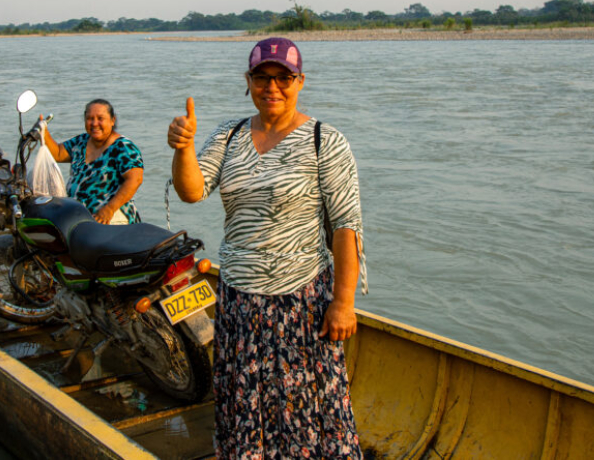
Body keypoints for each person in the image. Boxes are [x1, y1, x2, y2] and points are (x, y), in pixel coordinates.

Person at [167, 37, 367, 459]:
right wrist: (183, 148)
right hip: (240, 300)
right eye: (262, 77)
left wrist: (343, 303)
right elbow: (193, 190)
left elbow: (346, 226)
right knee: (245, 405)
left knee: (308, 409)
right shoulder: (231, 134)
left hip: (302, 301)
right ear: (249, 81)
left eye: (283, 78)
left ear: (300, 82)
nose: (272, 87)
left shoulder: (323, 141)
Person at [42, 99, 144, 224]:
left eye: (100, 118)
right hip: (79, 215)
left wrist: (109, 209)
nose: (94, 123)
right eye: (90, 118)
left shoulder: (123, 147)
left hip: (111, 215)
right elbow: (58, 153)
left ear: (112, 120)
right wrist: (43, 132)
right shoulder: (81, 141)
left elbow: (135, 179)